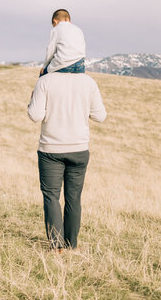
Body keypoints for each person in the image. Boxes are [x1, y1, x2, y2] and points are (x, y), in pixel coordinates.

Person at [27, 66, 107, 251]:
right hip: (79, 148)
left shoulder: (45, 80)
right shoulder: (88, 82)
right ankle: (72, 245)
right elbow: (100, 116)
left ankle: (57, 247)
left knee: (52, 197)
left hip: (51, 149)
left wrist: (34, 98)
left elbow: (35, 115)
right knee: (74, 198)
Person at [39, 8, 86, 76]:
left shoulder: (56, 29)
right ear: (69, 20)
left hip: (64, 64)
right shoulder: (78, 30)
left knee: (42, 75)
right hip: (80, 64)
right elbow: (83, 47)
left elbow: (50, 50)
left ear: (55, 21)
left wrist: (44, 66)